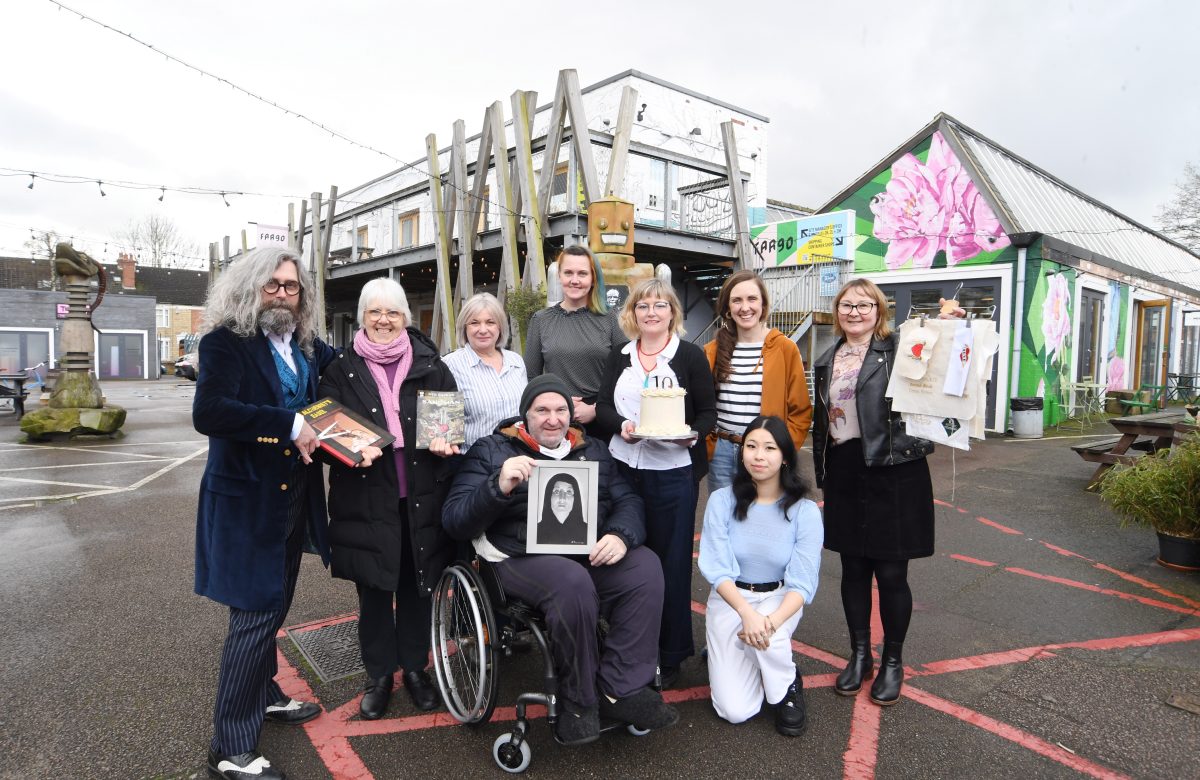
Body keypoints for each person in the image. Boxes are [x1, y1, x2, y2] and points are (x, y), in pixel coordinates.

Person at [442, 374, 678, 745]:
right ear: (525, 415)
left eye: (560, 410)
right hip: (517, 557)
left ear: (571, 415)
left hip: (585, 554)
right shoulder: (492, 450)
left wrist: (620, 535)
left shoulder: (593, 449)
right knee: (570, 582)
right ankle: (579, 701)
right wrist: (497, 486)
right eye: (542, 411)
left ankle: (621, 689)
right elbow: (455, 520)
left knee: (644, 568)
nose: (552, 419)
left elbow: (628, 501)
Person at [193, 247, 334, 780]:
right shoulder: (225, 344)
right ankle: (229, 747)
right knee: (253, 614)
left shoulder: (306, 347)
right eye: (272, 284)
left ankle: (267, 692)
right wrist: (288, 424)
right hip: (246, 500)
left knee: (275, 605)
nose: (281, 293)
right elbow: (209, 412)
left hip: (294, 497)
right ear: (250, 288)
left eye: (291, 286)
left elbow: (355, 365)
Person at [317, 277, 460, 720]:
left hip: (418, 496)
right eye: (375, 312)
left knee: (418, 588)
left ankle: (415, 669)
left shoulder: (429, 362)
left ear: (405, 318)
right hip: (365, 498)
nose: (384, 320)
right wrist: (346, 449)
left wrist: (445, 441)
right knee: (375, 589)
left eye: (393, 312)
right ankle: (379, 674)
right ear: (362, 316)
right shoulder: (341, 367)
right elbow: (326, 423)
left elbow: (448, 418)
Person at [811, 278, 940, 706]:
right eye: (847, 305)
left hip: (893, 469)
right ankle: (861, 654)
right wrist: (821, 473)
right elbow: (823, 423)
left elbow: (935, 351)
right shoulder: (827, 358)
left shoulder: (898, 347)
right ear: (837, 310)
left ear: (879, 310)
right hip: (847, 468)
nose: (855, 312)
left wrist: (951, 322)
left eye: (864, 305)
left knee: (891, 574)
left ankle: (893, 662)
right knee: (852, 572)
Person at [595, 278, 717, 688]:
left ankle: (669, 653)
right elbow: (602, 406)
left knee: (671, 565)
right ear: (632, 313)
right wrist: (622, 426)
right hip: (623, 469)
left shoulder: (690, 356)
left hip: (671, 475)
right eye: (643, 306)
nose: (651, 312)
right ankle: (623, 646)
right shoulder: (619, 355)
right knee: (624, 559)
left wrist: (691, 435)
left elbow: (707, 413)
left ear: (672, 314)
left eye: (659, 305)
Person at [698, 416, 822, 735]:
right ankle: (764, 662)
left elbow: (801, 583)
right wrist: (746, 614)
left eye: (769, 448)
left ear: (784, 456)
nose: (758, 455)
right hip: (731, 600)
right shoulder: (721, 501)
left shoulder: (804, 512)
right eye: (751, 446)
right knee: (735, 710)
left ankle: (787, 685)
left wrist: (770, 622)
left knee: (769, 640)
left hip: (777, 599)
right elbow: (717, 568)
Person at [704, 270, 812, 491]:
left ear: (763, 304)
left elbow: (800, 411)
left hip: (765, 452)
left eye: (752, 299)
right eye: (737, 300)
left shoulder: (785, 348)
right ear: (727, 308)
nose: (745, 307)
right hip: (722, 452)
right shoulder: (712, 351)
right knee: (723, 519)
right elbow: (702, 405)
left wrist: (782, 449)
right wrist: (709, 446)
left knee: (763, 519)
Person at [524, 246, 626, 433]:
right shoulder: (541, 320)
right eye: (568, 273)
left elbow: (626, 374)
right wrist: (557, 404)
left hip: (601, 419)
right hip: (554, 421)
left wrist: (595, 409)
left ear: (593, 278)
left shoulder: (611, 320)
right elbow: (531, 377)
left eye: (582, 273)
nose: (575, 280)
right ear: (559, 276)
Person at [442, 292, 527, 449]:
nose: (483, 330)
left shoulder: (516, 361)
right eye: (474, 323)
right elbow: (442, 427)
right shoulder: (449, 365)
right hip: (474, 463)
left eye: (490, 322)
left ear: (500, 326)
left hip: (519, 457)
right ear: (464, 328)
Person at [538, 473, 588, 545]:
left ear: (576, 498)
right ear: (548, 496)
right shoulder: (536, 531)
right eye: (556, 492)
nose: (562, 498)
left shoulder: (587, 531)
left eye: (568, 492)